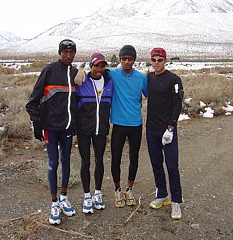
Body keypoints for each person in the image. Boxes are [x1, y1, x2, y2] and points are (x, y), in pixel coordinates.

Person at [25, 39, 77, 225]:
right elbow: (32, 100)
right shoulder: (49, 70)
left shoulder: (75, 73)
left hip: (67, 127)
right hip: (50, 128)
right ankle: (54, 203)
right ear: (59, 53)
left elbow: (79, 99)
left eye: (72, 52)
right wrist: (37, 122)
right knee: (53, 162)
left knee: (66, 161)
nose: (69, 55)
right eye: (65, 52)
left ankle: (63, 197)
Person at [146, 47, 184, 220]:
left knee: (171, 166)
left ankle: (176, 201)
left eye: (160, 60)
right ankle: (162, 194)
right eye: (153, 60)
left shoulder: (174, 80)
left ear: (165, 60)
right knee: (156, 164)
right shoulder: (149, 78)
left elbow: (177, 104)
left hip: (167, 130)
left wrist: (171, 127)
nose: (156, 63)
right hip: (151, 129)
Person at [109, 45, 148, 208]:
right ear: (120, 59)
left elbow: (151, 95)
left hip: (135, 124)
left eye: (130, 59)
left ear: (134, 60)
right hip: (118, 124)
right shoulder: (112, 74)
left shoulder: (141, 78)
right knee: (116, 158)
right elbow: (94, 73)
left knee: (134, 157)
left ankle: (129, 189)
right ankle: (117, 189)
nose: (126, 62)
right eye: (123, 59)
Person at [76, 53, 113, 214]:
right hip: (83, 130)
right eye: (96, 65)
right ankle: (86, 196)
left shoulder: (109, 82)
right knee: (86, 161)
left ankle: (97, 193)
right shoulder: (82, 80)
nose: (99, 69)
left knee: (99, 160)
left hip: (101, 130)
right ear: (91, 66)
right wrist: (77, 70)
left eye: (102, 66)